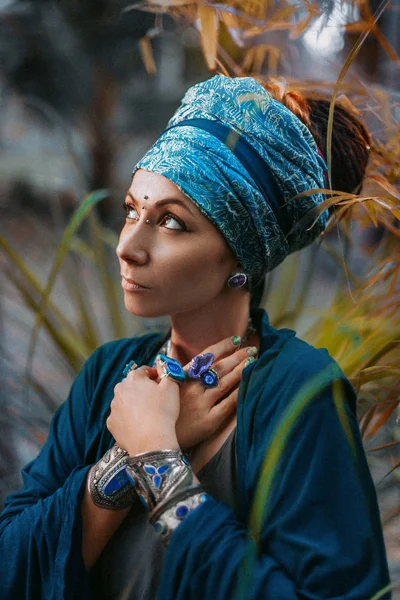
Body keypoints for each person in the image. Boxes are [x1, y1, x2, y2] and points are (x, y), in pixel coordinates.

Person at [0, 74, 390, 600]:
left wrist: (159, 458)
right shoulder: (108, 375)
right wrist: (122, 460)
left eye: (171, 223)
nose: (128, 246)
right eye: (132, 211)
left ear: (242, 255)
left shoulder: (301, 394)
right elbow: (11, 566)